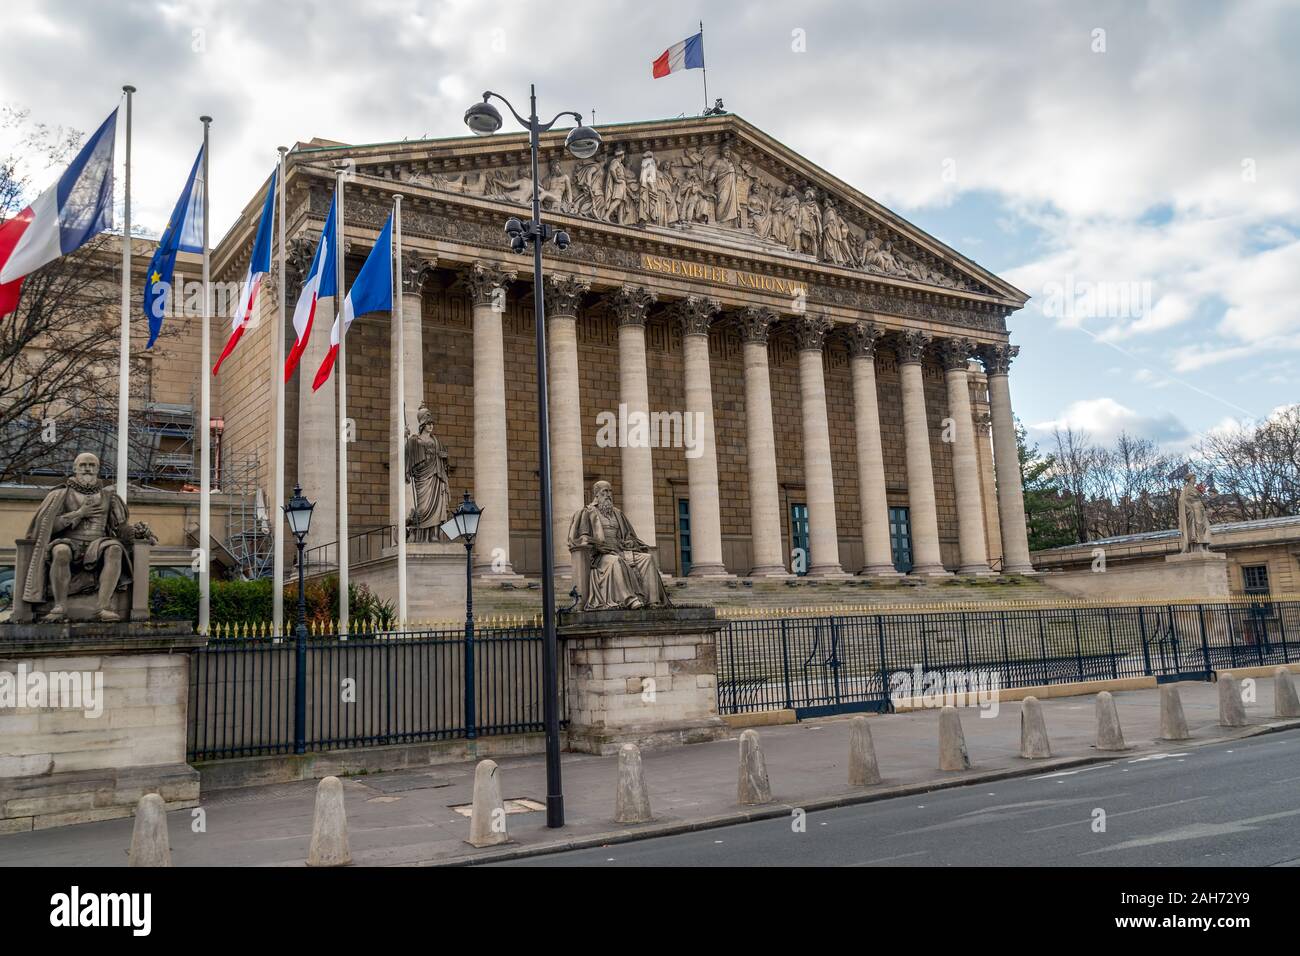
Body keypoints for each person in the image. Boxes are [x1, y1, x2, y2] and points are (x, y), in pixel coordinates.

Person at [22, 452, 132, 622]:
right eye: (83, 465)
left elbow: (121, 529)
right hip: (69, 542)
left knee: (115, 549)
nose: (87, 468)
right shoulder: (60, 495)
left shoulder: (109, 497)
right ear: (75, 468)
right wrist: (79, 513)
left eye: (92, 465)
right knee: (60, 551)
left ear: (98, 469)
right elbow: (49, 527)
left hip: (97, 545)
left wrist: (138, 532)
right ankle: (60, 606)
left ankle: (103, 607)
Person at [568, 481, 670, 610]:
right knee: (615, 561)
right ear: (596, 494)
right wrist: (597, 545)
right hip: (600, 556)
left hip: (621, 551)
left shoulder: (617, 513)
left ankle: (653, 601)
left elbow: (629, 536)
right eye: (604, 491)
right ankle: (630, 599)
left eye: (610, 491)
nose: (608, 494)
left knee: (647, 559)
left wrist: (630, 542)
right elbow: (581, 538)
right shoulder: (587, 513)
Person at [405, 404, 450, 542]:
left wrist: (443, 457)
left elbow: (444, 458)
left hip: (436, 474)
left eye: (432, 424)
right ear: (422, 424)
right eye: (428, 424)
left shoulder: (437, 441)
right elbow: (407, 454)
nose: (431, 426)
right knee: (423, 508)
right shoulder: (414, 440)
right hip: (422, 476)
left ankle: (434, 535)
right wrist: (404, 437)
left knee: (437, 505)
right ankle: (417, 531)